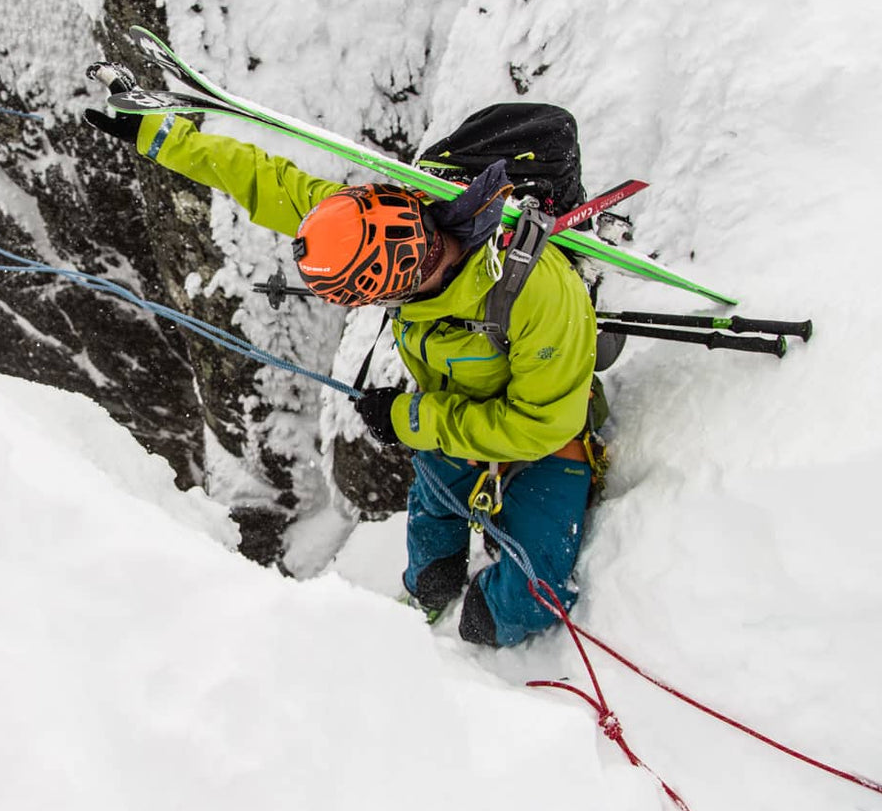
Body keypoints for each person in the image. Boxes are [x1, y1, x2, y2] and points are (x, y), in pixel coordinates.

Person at [85, 87, 598, 647]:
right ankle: (428, 602)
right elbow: (264, 180)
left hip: (543, 432)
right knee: (429, 568)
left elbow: (542, 424)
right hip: (456, 411)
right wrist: (162, 138)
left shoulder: (536, 290)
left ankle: (478, 639)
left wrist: (410, 419)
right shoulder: (374, 223)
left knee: (511, 612)